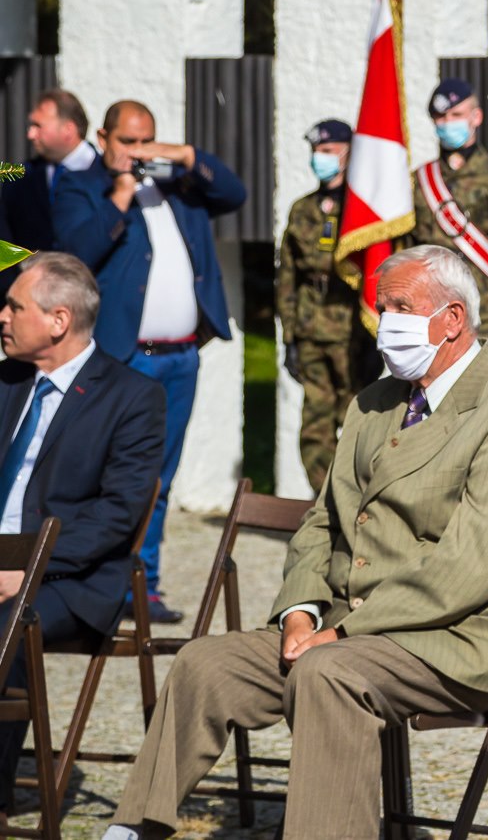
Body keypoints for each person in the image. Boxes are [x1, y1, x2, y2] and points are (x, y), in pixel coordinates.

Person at [101, 245, 488, 840]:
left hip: (454, 637)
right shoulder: (374, 403)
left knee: (326, 673)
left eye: (402, 306)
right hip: (342, 626)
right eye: (382, 306)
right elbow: (322, 523)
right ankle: (135, 828)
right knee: (203, 663)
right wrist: (299, 611)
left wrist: (339, 634)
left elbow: (476, 564)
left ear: (452, 320)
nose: (385, 321)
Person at [53, 100, 246, 625]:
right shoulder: (83, 186)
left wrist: (183, 155)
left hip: (181, 357)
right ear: (104, 136)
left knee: (160, 479)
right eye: (128, 141)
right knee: (111, 478)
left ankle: (146, 587)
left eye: (147, 141)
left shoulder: (178, 187)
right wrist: (118, 195)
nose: (137, 152)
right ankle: (96, 590)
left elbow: (234, 192)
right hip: (124, 359)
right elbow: (75, 256)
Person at [0, 253, 164, 826]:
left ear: (58, 319)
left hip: (68, 579)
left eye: (14, 306)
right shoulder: (6, 383)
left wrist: (29, 569)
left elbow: (116, 516)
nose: (2, 315)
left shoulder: (131, 398)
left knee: (9, 618)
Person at [276, 119, 379, 487]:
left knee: (357, 421)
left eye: (328, 152)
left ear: (349, 155)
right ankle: (324, 499)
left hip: (353, 332)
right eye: (316, 152)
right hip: (311, 330)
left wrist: (375, 333)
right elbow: (287, 277)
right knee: (315, 425)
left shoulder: (363, 213)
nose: (319, 159)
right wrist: (289, 336)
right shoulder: (302, 209)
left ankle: (356, 499)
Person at [410, 77, 488, 365]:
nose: (447, 122)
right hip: (429, 312)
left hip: (484, 314)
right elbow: (408, 248)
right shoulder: (419, 181)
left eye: (456, 115)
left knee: (482, 405)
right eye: (441, 117)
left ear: (476, 117)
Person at [0, 90, 98, 264]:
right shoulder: (20, 179)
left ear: (68, 129)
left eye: (38, 126)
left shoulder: (108, 176)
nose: (30, 134)